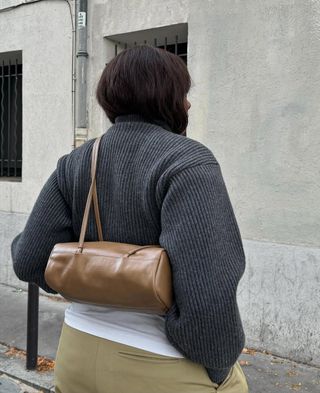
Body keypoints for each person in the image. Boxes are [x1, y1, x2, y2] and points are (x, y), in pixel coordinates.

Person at [11, 45, 248, 393]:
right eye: (183, 93)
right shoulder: (187, 162)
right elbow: (209, 298)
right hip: (162, 365)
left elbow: (28, 260)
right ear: (165, 96)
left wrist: (87, 275)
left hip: (76, 353)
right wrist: (219, 366)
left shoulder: (76, 162)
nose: (188, 104)